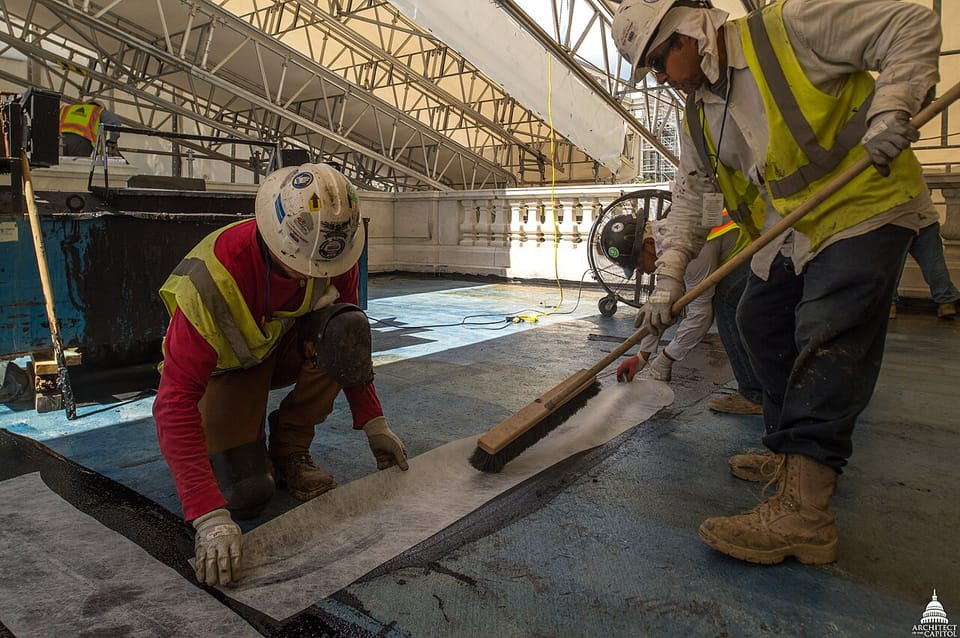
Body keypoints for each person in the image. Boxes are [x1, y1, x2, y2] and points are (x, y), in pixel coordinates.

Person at [612, 0, 940, 565]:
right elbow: (690, 200)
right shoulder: (698, 114)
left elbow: (912, 22)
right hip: (794, 228)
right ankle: (790, 452)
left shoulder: (789, 28)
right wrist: (666, 282)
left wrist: (892, 109)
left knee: (826, 333)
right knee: (756, 320)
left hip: (865, 203)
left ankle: (805, 512)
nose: (660, 78)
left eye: (658, 62)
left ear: (686, 32)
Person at [153, 163, 409, 588]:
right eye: (302, 268)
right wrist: (208, 515)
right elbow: (173, 401)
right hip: (226, 372)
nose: (315, 277)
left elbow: (346, 345)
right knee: (245, 495)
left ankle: (289, 449)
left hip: (279, 350)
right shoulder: (213, 279)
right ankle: (244, 449)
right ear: (276, 238)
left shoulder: (329, 252)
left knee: (343, 327)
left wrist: (374, 421)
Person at [615, 215, 747, 391]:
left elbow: (700, 315)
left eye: (638, 263)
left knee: (726, 306)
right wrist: (642, 356)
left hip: (755, 248)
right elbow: (660, 305)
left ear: (647, 244)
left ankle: (753, 392)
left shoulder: (690, 253)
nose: (641, 272)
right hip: (737, 249)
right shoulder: (662, 241)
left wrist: (667, 357)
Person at [889, 219, 959, 319]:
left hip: (896, 221)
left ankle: (889, 306)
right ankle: (946, 303)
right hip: (926, 219)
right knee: (934, 264)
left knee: (892, 265)